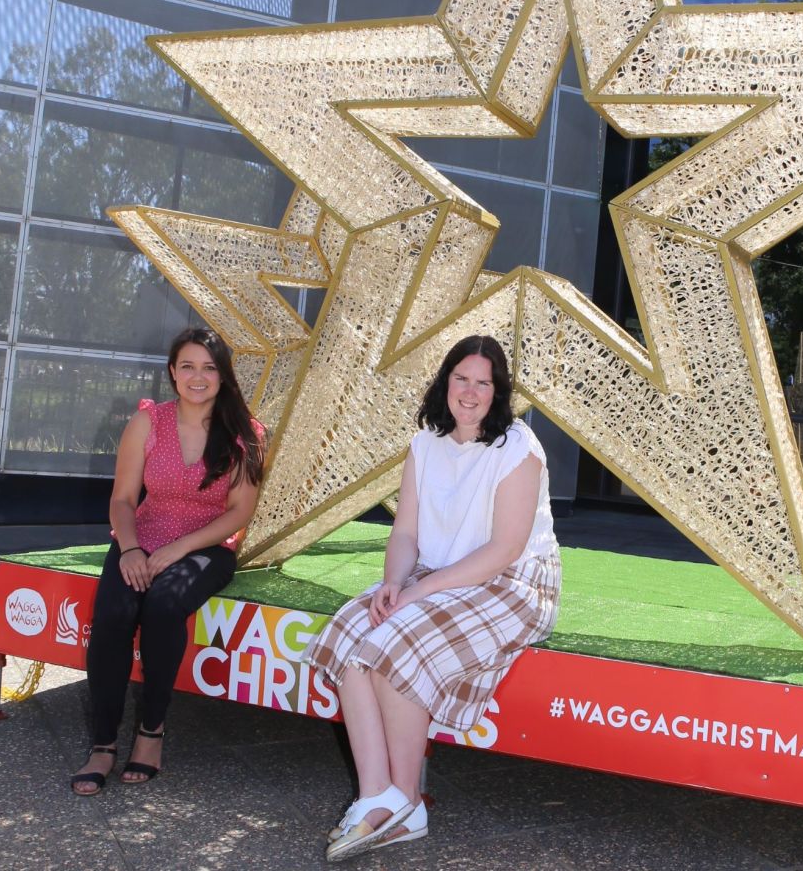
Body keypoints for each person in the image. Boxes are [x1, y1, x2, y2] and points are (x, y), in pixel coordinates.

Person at [304, 334, 560, 860]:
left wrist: (420, 592)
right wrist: (395, 583)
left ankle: (407, 805)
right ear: (446, 382)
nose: (469, 392)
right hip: (433, 571)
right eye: (460, 378)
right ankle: (378, 795)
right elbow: (405, 533)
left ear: (498, 392)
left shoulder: (518, 447)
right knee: (354, 631)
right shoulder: (425, 442)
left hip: (512, 581)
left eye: (482, 383)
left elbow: (505, 548)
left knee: (397, 645)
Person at [70, 327, 266, 795]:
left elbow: (240, 512)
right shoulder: (146, 423)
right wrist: (131, 547)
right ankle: (102, 743)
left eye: (209, 367)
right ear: (173, 373)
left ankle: (150, 733)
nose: (197, 377)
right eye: (187, 366)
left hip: (205, 548)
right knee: (114, 613)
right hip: (142, 536)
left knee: (162, 605)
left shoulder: (245, 434)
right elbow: (122, 499)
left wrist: (180, 548)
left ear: (223, 376)